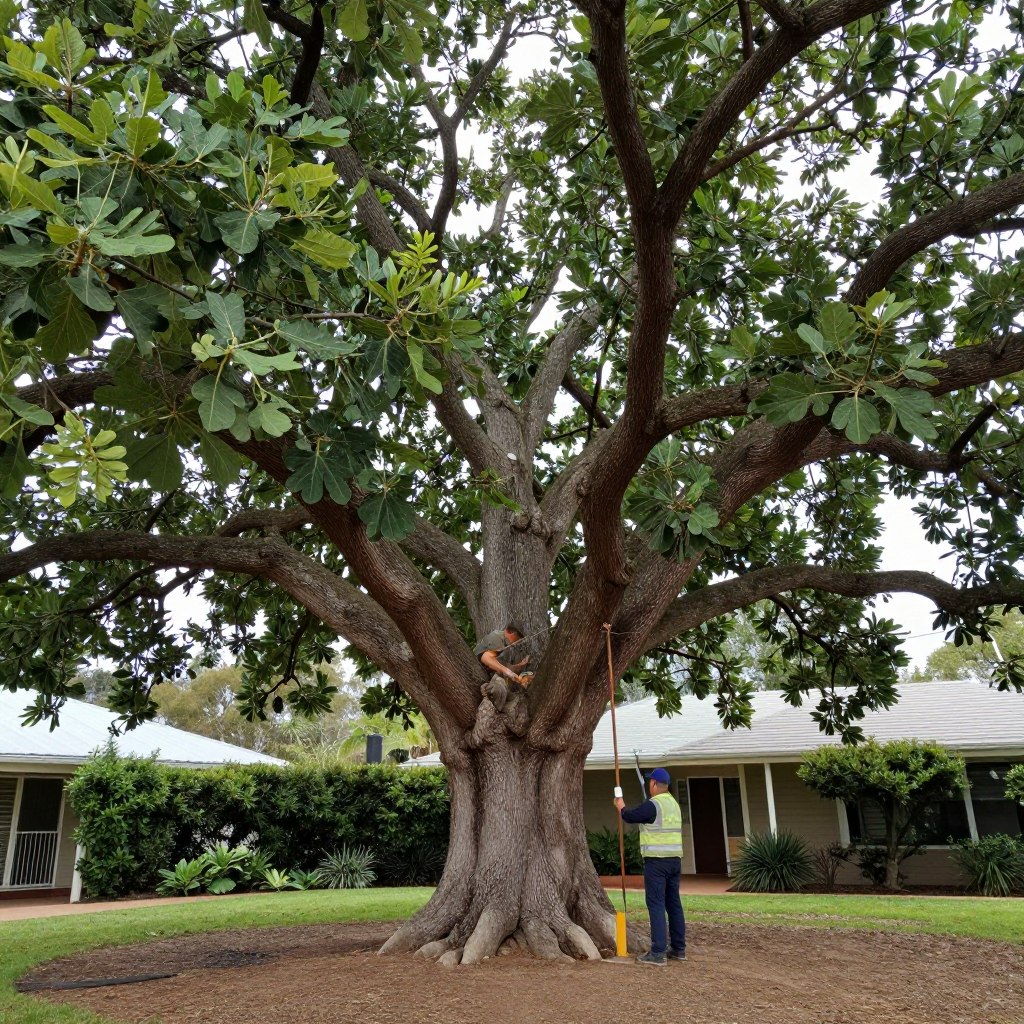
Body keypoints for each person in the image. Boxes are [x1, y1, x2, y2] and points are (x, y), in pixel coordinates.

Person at [614, 767, 686, 965]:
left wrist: (620, 805)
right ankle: (679, 949)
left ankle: (658, 952)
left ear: (654, 784)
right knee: (674, 904)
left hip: (656, 862)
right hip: (675, 860)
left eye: (649, 782)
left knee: (656, 904)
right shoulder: (673, 804)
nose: (649, 786)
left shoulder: (654, 805)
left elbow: (630, 815)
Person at [474, 622, 530, 711]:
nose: (517, 641)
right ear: (511, 633)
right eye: (518, 638)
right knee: (500, 687)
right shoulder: (497, 637)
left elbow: (501, 666)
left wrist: (520, 665)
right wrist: (508, 672)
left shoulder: (505, 645)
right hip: (477, 673)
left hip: (488, 678)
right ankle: (493, 712)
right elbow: (485, 657)